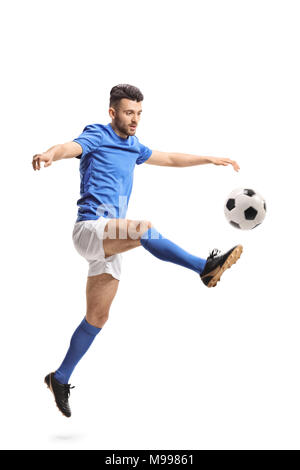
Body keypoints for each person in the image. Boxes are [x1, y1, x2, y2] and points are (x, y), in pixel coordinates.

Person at [32, 84, 243, 418]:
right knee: (142, 228)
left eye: (140, 113)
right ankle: (204, 267)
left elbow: (169, 158)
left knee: (97, 317)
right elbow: (67, 147)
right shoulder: (97, 135)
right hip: (90, 229)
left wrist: (208, 159)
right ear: (113, 112)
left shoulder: (133, 146)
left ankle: (59, 378)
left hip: (109, 241)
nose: (135, 120)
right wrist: (49, 154)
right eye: (129, 113)